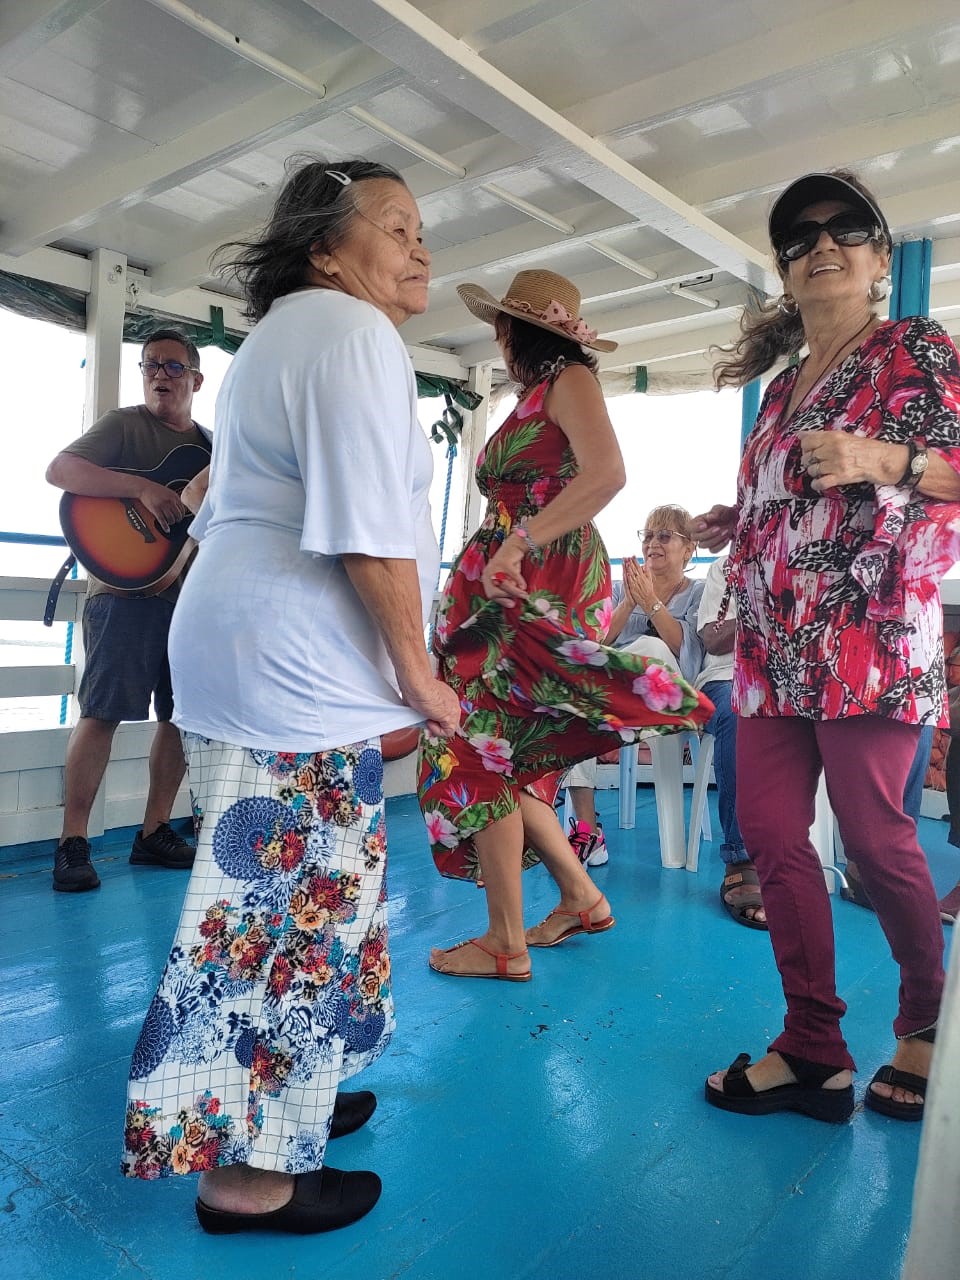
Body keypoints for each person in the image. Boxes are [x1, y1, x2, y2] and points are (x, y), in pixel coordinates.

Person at [121, 157, 460, 1235]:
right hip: (292, 669)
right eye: (395, 226)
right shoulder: (352, 333)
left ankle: (294, 1099)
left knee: (304, 900)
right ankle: (249, 1177)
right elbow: (367, 525)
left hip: (254, 656)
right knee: (284, 917)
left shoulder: (280, 336)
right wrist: (416, 672)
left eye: (421, 229)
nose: (420, 247)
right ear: (325, 248)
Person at [697, 169, 960, 1125]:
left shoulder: (913, 348)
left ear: (880, 257)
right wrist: (732, 519)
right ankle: (813, 1044)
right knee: (772, 836)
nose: (823, 246)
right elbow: (793, 503)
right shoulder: (777, 392)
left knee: (876, 840)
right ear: (785, 269)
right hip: (773, 644)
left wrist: (883, 458)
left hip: (869, 635)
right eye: (800, 238)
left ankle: (929, 1025)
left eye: (846, 229)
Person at [419, 269, 711, 979]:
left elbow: (607, 474)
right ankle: (580, 896)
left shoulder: (569, 380)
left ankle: (505, 941)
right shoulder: (533, 396)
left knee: (480, 745)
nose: (497, 338)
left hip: (538, 577)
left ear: (515, 330)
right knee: (499, 750)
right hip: (506, 586)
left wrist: (518, 542)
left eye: (500, 327)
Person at [45, 330, 212, 893]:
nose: (159, 374)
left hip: (189, 599)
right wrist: (142, 488)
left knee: (179, 716)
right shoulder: (123, 425)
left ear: (196, 379)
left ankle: (154, 830)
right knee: (101, 712)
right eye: (150, 365)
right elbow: (61, 470)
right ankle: (72, 841)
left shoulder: (216, 448)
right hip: (122, 595)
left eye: (172, 366)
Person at [564, 505, 705, 867]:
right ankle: (587, 827)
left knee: (651, 648)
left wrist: (651, 603)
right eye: (648, 535)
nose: (653, 543)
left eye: (665, 536)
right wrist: (629, 602)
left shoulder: (698, 592)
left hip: (667, 699)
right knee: (574, 702)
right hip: (616, 695)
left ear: (689, 549)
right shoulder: (618, 590)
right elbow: (598, 642)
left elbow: (686, 651)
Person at [696, 555, 766, 929]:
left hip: (793, 680)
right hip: (729, 676)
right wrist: (768, 606)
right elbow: (713, 639)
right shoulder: (727, 566)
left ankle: (866, 856)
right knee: (740, 711)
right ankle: (741, 856)